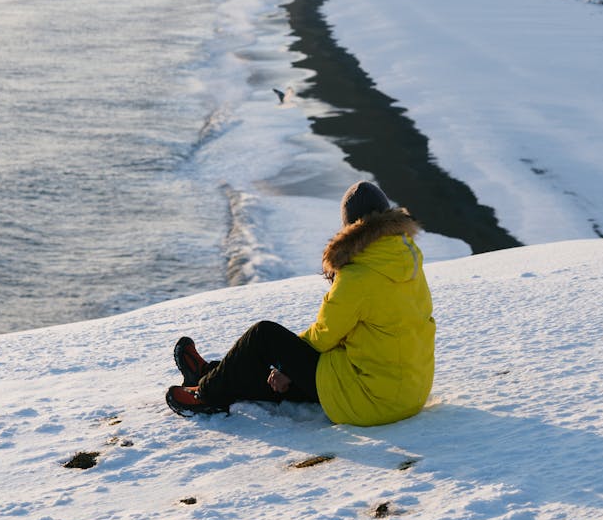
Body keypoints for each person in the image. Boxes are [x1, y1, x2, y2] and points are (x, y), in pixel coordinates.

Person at [165, 180, 436, 427]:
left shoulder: (359, 276)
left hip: (371, 400)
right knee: (285, 363)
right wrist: (289, 368)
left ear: (350, 229)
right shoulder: (407, 259)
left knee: (264, 337)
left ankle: (207, 395)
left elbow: (324, 334)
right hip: (409, 390)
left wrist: (286, 367)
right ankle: (209, 373)